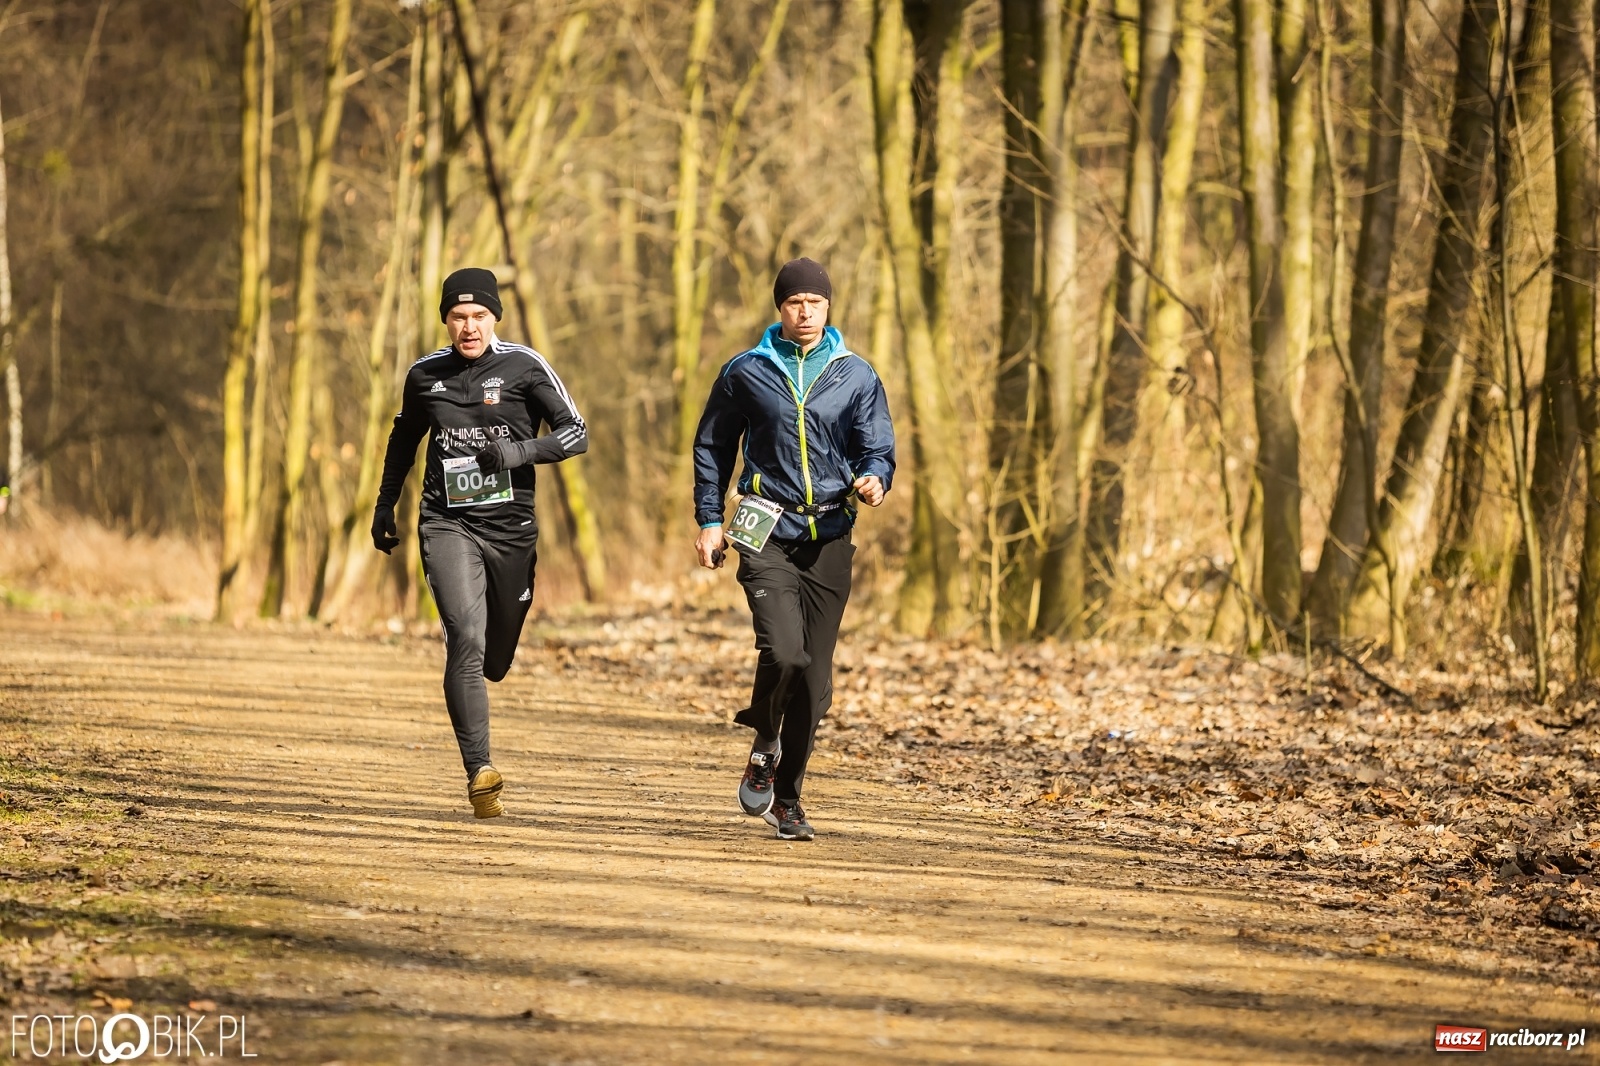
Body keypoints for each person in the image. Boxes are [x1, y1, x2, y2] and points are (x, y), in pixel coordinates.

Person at [692, 257, 895, 841]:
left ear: (829, 308)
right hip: (765, 529)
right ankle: (765, 738)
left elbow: (875, 446)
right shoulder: (745, 371)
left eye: (815, 302)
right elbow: (712, 446)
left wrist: (875, 478)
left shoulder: (856, 375)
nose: (805, 312)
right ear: (779, 309)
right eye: (794, 303)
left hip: (830, 533)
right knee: (785, 653)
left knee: (816, 684)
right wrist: (710, 519)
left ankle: (789, 798)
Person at [373, 267, 588, 819]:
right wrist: (384, 505)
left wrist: (515, 454)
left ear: (495, 318)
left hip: (511, 528)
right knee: (464, 638)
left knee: (495, 657)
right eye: (458, 316)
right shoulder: (425, 376)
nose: (468, 327)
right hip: (447, 521)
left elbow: (575, 433)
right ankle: (480, 771)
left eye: (478, 316)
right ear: (445, 320)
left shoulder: (524, 366)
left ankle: (494, 665)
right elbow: (403, 440)